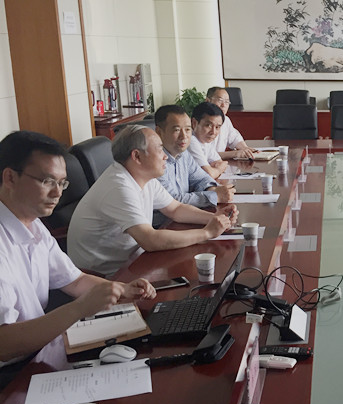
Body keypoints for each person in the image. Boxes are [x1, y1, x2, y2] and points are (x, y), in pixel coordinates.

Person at [0, 131, 155, 372]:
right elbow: (4, 344)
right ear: (10, 177)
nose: (57, 193)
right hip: (11, 371)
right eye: (47, 181)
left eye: (62, 183)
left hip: (41, 349)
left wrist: (121, 290)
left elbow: (75, 280)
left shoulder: (33, 224)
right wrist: (79, 308)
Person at [68, 124, 237, 276]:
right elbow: (150, 240)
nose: (165, 156)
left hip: (135, 260)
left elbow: (175, 209)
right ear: (137, 156)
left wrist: (216, 219)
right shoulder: (119, 187)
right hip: (106, 276)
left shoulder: (143, 176)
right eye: (159, 150)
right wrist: (207, 233)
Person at [153, 104, 235, 226]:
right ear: (159, 132)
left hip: (185, 219)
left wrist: (213, 190)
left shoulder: (184, 154)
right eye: (177, 130)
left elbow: (201, 179)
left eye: (187, 130)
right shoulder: (153, 161)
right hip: (161, 226)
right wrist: (214, 196)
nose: (184, 136)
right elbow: (172, 201)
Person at [205, 87, 256, 160]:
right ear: (208, 101)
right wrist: (235, 153)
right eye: (220, 100)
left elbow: (235, 138)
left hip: (218, 163)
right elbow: (207, 155)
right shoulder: (202, 122)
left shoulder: (226, 120)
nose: (223, 105)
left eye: (226, 102)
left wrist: (245, 149)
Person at [188, 102, 229, 179]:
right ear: (194, 123)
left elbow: (221, 163)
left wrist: (213, 169)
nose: (213, 132)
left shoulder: (205, 140)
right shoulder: (190, 140)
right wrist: (217, 169)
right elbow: (209, 174)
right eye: (208, 125)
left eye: (217, 127)